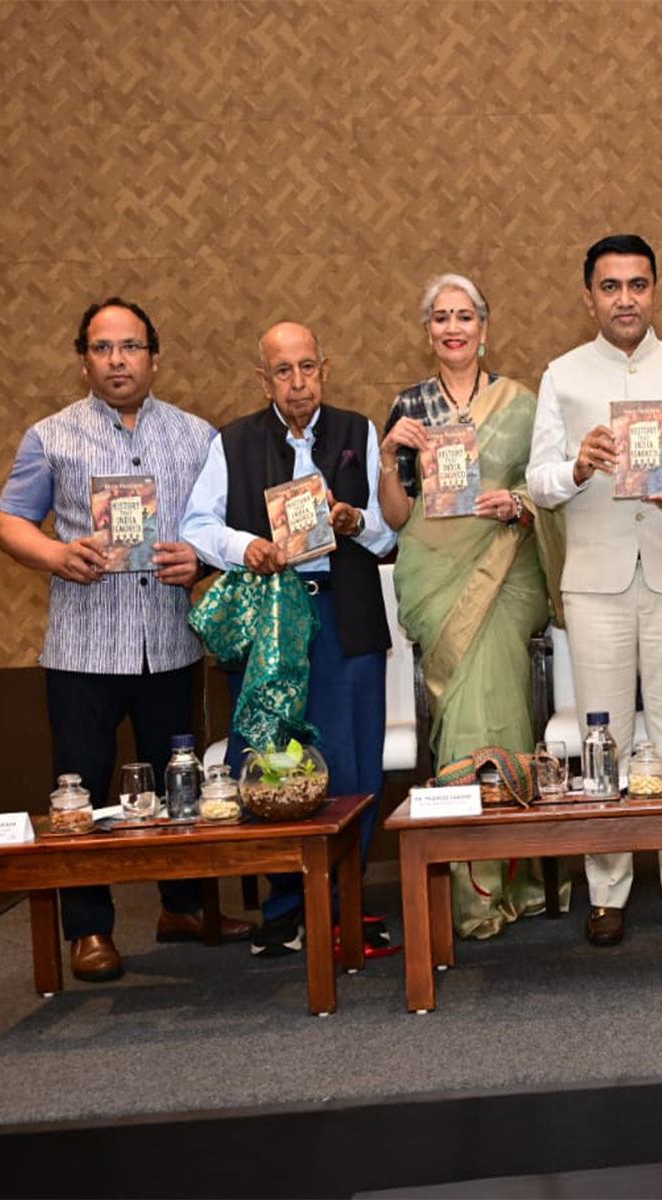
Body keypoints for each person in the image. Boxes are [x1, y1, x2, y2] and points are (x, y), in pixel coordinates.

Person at [0, 297, 255, 982]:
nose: (118, 360)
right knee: (79, 788)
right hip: (83, 648)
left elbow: (219, 527)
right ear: (84, 360)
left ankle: (185, 907)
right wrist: (57, 555)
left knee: (182, 781)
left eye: (131, 347)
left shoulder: (197, 436)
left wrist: (199, 562)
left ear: (154, 358)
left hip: (169, 643)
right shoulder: (50, 436)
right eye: (103, 348)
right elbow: (9, 521)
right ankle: (89, 930)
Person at [526, 234, 662, 946]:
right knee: (604, 739)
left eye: (638, 285)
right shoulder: (562, 375)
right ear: (589, 296)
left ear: (656, 291)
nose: (626, 299)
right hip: (596, 581)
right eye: (611, 286)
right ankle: (607, 890)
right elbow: (538, 481)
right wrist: (577, 467)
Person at [183, 321, 399, 957]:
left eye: (308, 367)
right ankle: (286, 907)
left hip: (344, 616)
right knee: (269, 762)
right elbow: (196, 525)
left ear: (324, 370)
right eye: (284, 371)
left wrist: (354, 521)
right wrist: (243, 545)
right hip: (271, 622)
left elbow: (390, 533)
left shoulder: (358, 431)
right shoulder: (233, 442)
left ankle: (345, 901)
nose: (298, 382)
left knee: (353, 765)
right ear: (264, 379)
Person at [380, 272, 567, 938]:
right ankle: (476, 884)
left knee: (493, 692)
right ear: (427, 330)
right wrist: (388, 457)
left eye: (464, 316)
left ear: (484, 329)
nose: (452, 327)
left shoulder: (522, 403)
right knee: (462, 708)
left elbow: (548, 489)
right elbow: (395, 517)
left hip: (509, 571)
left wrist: (517, 503)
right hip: (435, 576)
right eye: (441, 317)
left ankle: (506, 872)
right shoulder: (409, 406)